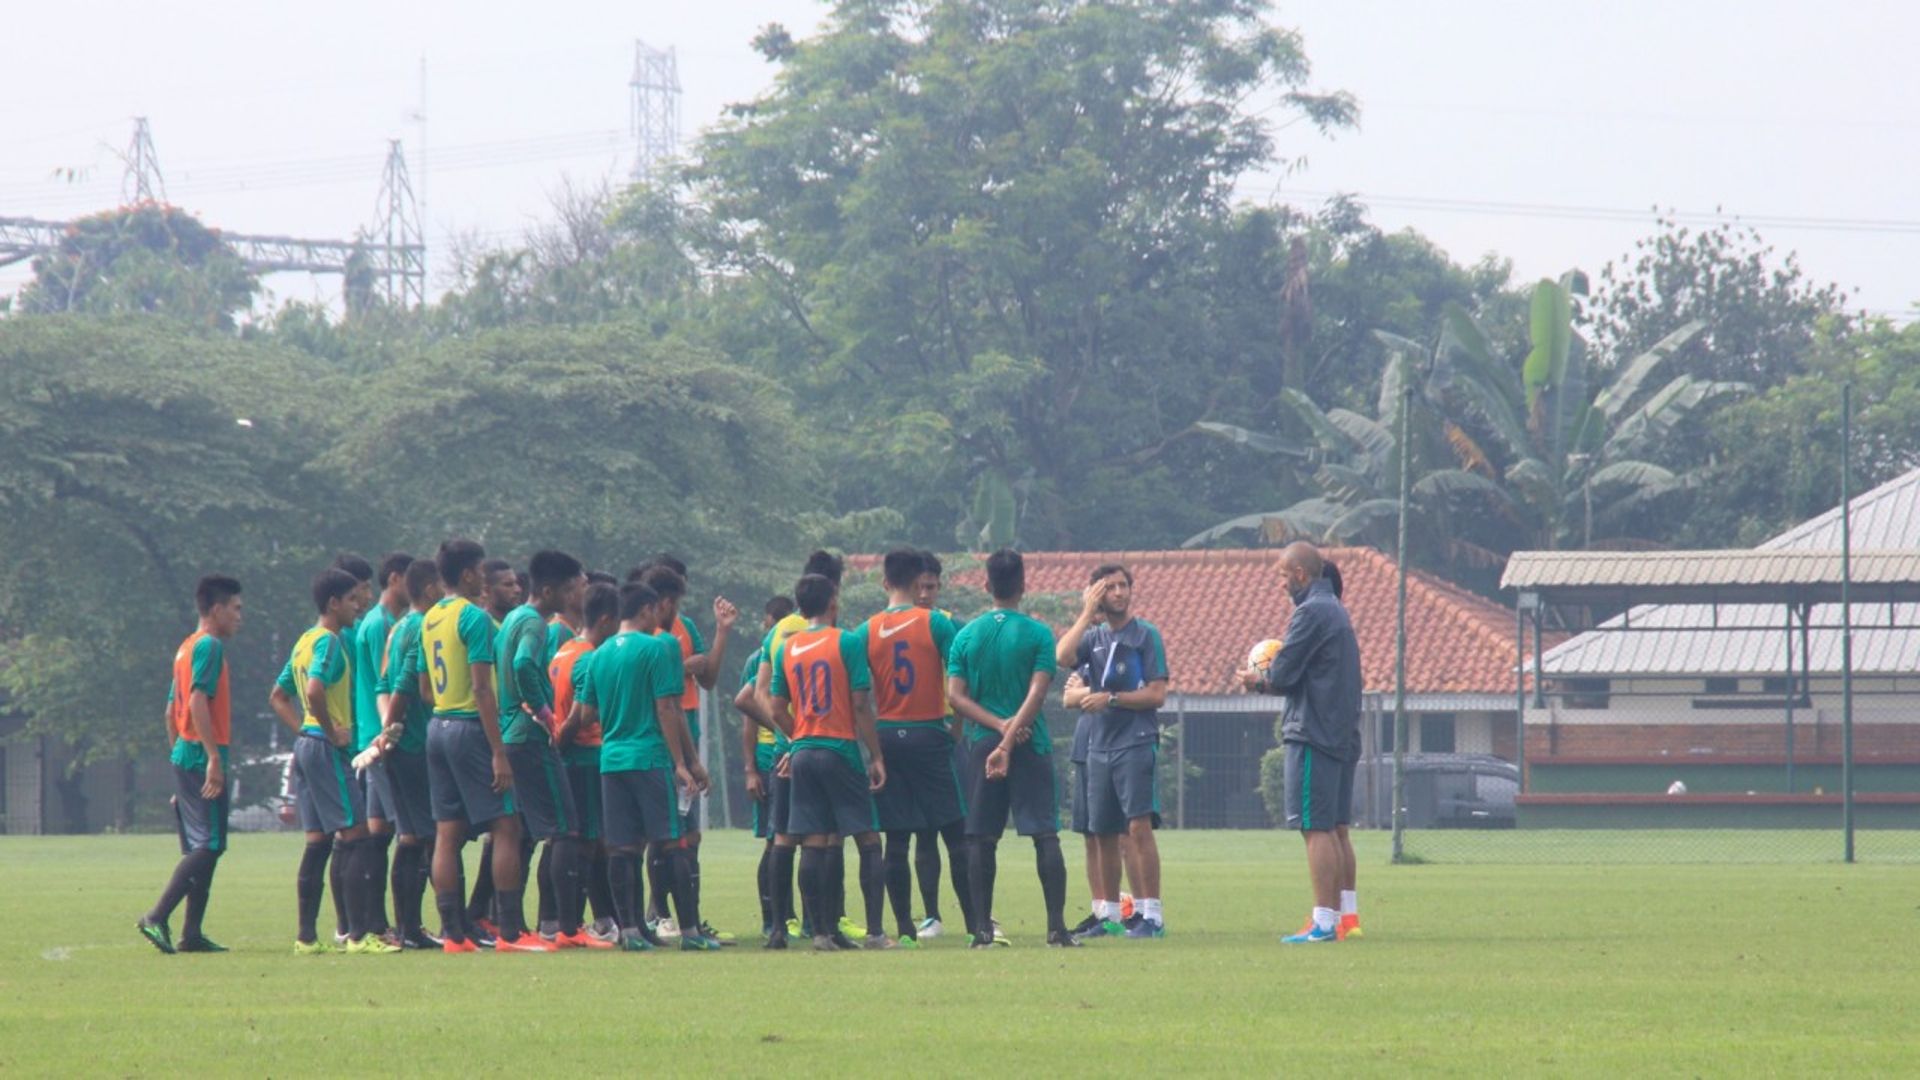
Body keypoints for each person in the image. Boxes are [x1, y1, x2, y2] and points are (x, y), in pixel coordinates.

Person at [949, 548, 1075, 949]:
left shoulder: (966, 635)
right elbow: (1038, 692)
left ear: (986, 585)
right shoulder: (1038, 634)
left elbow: (956, 697)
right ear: (1023, 585)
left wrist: (998, 728)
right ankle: (1056, 928)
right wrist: (1013, 730)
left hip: (984, 742)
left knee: (980, 838)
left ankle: (982, 930)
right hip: (1029, 740)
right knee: (1044, 834)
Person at [579, 581, 715, 952]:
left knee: (622, 849)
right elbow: (668, 708)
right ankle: (690, 933)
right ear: (647, 610)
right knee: (673, 842)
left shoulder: (599, 653)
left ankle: (631, 933)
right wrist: (683, 763)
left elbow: (588, 712)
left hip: (612, 760)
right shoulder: (660, 646)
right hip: (650, 757)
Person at [1239, 542, 1362, 944]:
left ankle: (1323, 922)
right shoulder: (1336, 609)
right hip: (1341, 732)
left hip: (1314, 732)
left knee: (1316, 828)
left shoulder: (1309, 612)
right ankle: (1347, 918)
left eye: (1282, 575)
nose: (1280, 583)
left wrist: (1256, 679)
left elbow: (1285, 674)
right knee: (1338, 829)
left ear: (1301, 575)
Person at [268, 567, 395, 955]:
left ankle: (306, 937)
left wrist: (305, 730)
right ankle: (359, 936)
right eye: (353, 600)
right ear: (334, 603)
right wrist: (327, 729)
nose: (359, 606)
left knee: (318, 841)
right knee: (356, 836)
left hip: (308, 746)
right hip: (325, 748)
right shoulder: (328, 642)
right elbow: (313, 689)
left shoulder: (304, 640)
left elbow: (278, 694)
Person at [422, 539, 540, 953]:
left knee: (447, 832)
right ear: (471, 574)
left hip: (437, 725)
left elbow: (423, 685)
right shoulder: (471, 618)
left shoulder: (432, 616)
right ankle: (509, 933)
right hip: (470, 727)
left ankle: (453, 934)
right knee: (507, 825)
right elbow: (481, 687)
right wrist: (497, 751)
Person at [853, 549, 972, 946]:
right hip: (929, 733)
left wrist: (875, 752)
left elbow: (858, 699)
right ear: (913, 582)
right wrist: (956, 726)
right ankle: (977, 925)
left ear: (886, 583)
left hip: (888, 734)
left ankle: (904, 928)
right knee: (955, 834)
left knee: (897, 840)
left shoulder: (865, 631)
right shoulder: (937, 623)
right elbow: (962, 681)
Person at [768, 573, 891, 951]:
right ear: (833, 601)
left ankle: (821, 932)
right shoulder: (847, 642)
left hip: (803, 752)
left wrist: (800, 733)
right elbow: (859, 704)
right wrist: (876, 754)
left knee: (814, 842)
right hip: (839, 749)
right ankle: (875, 933)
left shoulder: (787, 647)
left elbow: (775, 707)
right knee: (868, 838)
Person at [1056, 563, 1170, 939]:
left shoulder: (1145, 635)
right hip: (1098, 746)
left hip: (1135, 742)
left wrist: (1112, 699)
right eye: (1110, 588)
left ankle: (1150, 914)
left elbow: (1156, 694)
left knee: (1137, 827)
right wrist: (1087, 613)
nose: (1119, 593)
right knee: (1101, 831)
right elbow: (1062, 655)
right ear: (1097, 594)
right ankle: (1107, 916)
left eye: (1124, 586)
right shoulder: (1094, 638)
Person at [754, 550, 862, 941]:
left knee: (782, 837)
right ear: (834, 589)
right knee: (826, 836)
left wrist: (790, 738)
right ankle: (826, 925)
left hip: (790, 745)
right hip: (824, 743)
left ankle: (778, 928)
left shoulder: (780, 631)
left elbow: (759, 693)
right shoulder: (833, 632)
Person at [138, 574, 244, 955]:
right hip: (203, 752)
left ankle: (192, 934)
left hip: (185, 751)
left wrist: (178, 768)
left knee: (205, 847)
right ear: (215, 610)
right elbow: (198, 701)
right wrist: (213, 756)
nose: (239, 617)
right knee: (208, 845)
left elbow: (171, 711)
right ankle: (156, 916)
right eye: (235, 608)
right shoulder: (210, 647)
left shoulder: (185, 648)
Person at [635, 561, 735, 943]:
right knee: (661, 835)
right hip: (661, 738)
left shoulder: (686, 628)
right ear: (661, 600)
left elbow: (707, 676)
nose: (676, 609)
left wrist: (722, 633)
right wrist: (682, 666)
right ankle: (658, 913)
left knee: (689, 836)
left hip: (687, 729)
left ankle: (687, 915)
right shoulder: (645, 636)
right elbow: (660, 682)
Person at [497, 550, 590, 950]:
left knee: (526, 833)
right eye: (569, 589)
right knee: (565, 829)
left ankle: (525, 926)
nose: (573, 597)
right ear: (549, 589)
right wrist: (546, 712)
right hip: (529, 736)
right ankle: (565, 928)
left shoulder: (513, 618)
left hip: (508, 734)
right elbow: (521, 666)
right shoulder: (535, 623)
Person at [372, 556, 444, 949]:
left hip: (402, 742)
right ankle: (432, 925)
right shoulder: (423, 625)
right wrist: (394, 728)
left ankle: (409, 928)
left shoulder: (397, 628)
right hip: (416, 742)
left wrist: (387, 730)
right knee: (430, 834)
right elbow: (403, 684)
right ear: (431, 588)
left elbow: (381, 684)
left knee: (411, 836)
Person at [552, 581, 623, 943]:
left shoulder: (564, 650)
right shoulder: (589, 658)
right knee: (579, 839)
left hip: (571, 755)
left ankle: (597, 920)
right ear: (608, 620)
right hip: (583, 754)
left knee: (587, 839)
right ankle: (567, 925)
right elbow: (581, 713)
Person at [352, 552, 412, 944]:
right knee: (404, 834)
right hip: (382, 741)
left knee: (379, 832)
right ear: (395, 579)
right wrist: (388, 734)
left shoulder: (385, 622)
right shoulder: (380, 626)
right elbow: (383, 685)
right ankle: (384, 924)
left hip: (377, 739)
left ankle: (376, 922)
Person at [737, 596, 796, 938]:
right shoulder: (758, 658)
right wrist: (749, 769)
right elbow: (747, 713)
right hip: (769, 752)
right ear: (767, 623)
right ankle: (772, 917)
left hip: (791, 747)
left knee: (799, 839)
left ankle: (791, 917)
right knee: (776, 839)